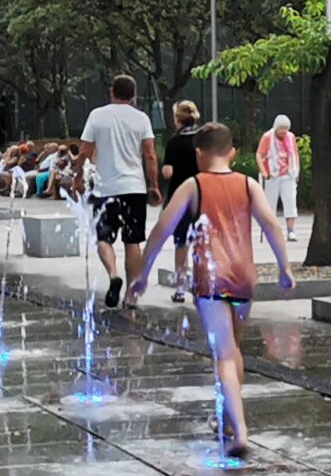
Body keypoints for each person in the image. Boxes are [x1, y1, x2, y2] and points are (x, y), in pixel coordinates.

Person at [126, 123, 293, 456]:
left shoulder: (193, 185)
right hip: (244, 278)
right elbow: (271, 224)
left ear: (198, 154)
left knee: (225, 354)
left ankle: (240, 430)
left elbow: (161, 229)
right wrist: (284, 267)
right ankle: (227, 421)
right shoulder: (247, 184)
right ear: (232, 153)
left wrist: (143, 273)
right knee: (234, 347)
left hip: (211, 280)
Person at [79, 75, 161, 309]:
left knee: (103, 237)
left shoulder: (97, 115)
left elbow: (85, 151)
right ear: (133, 95)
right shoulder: (141, 118)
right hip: (134, 188)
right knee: (132, 240)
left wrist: (77, 177)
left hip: (106, 189)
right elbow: (150, 154)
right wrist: (153, 184)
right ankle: (131, 296)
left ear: (112, 91)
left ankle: (114, 274)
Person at [160, 100, 203, 302]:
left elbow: (168, 172)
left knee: (181, 242)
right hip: (203, 195)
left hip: (180, 198)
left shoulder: (174, 142)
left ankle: (180, 287)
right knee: (202, 242)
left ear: (177, 119)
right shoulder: (203, 139)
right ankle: (202, 286)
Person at [256, 115, 300, 242]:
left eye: (286, 129)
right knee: (270, 204)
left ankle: (291, 231)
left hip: (288, 174)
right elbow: (259, 154)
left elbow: (295, 154)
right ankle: (271, 231)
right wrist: (263, 171)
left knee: (290, 201)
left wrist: (297, 171)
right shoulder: (267, 137)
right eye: (281, 129)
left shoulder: (290, 137)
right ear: (276, 127)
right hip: (271, 175)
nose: (283, 131)